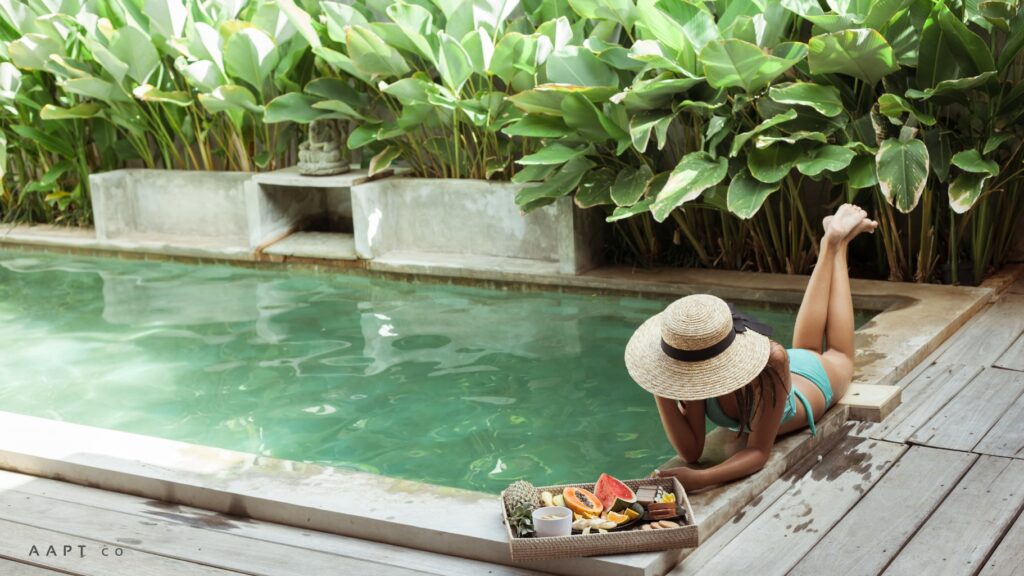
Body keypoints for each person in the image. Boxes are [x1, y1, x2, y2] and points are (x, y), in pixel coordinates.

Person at [624, 204, 877, 491]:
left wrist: (702, 479)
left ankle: (837, 244)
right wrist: (661, 383)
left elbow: (758, 452)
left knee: (838, 354)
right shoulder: (693, 363)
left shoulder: (771, 360)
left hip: (813, 381)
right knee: (805, 345)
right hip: (781, 374)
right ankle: (830, 240)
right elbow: (691, 451)